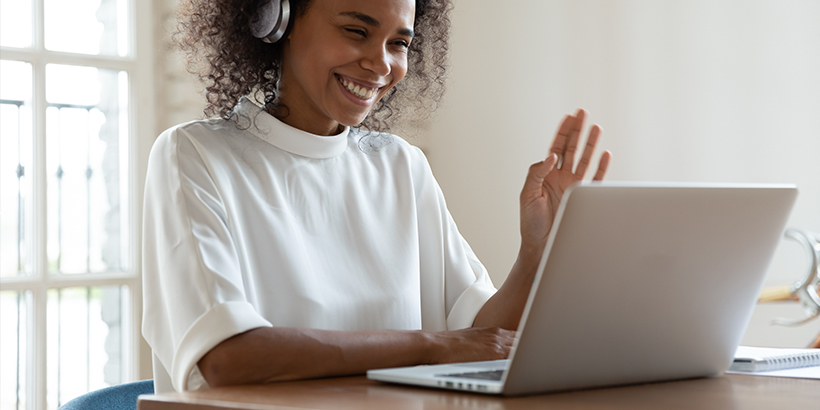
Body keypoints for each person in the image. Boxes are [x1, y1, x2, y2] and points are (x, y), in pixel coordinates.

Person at [142, 0, 612, 394]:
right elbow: (227, 357)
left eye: (399, 43)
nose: (382, 63)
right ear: (276, 19)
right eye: (356, 31)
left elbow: (484, 335)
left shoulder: (399, 165)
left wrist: (536, 255)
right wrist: (431, 345)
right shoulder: (196, 155)